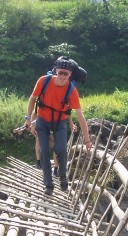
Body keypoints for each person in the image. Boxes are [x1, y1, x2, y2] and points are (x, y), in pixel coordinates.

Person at [25, 57, 92, 195]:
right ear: (56, 71)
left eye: (65, 74)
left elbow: (80, 115)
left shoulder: (71, 90)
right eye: (60, 72)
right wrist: (28, 118)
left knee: (61, 149)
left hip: (59, 122)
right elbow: (32, 98)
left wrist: (87, 140)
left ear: (70, 75)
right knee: (43, 151)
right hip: (42, 120)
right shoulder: (43, 81)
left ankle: (63, 178)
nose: (62, 76)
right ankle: (48, 185)